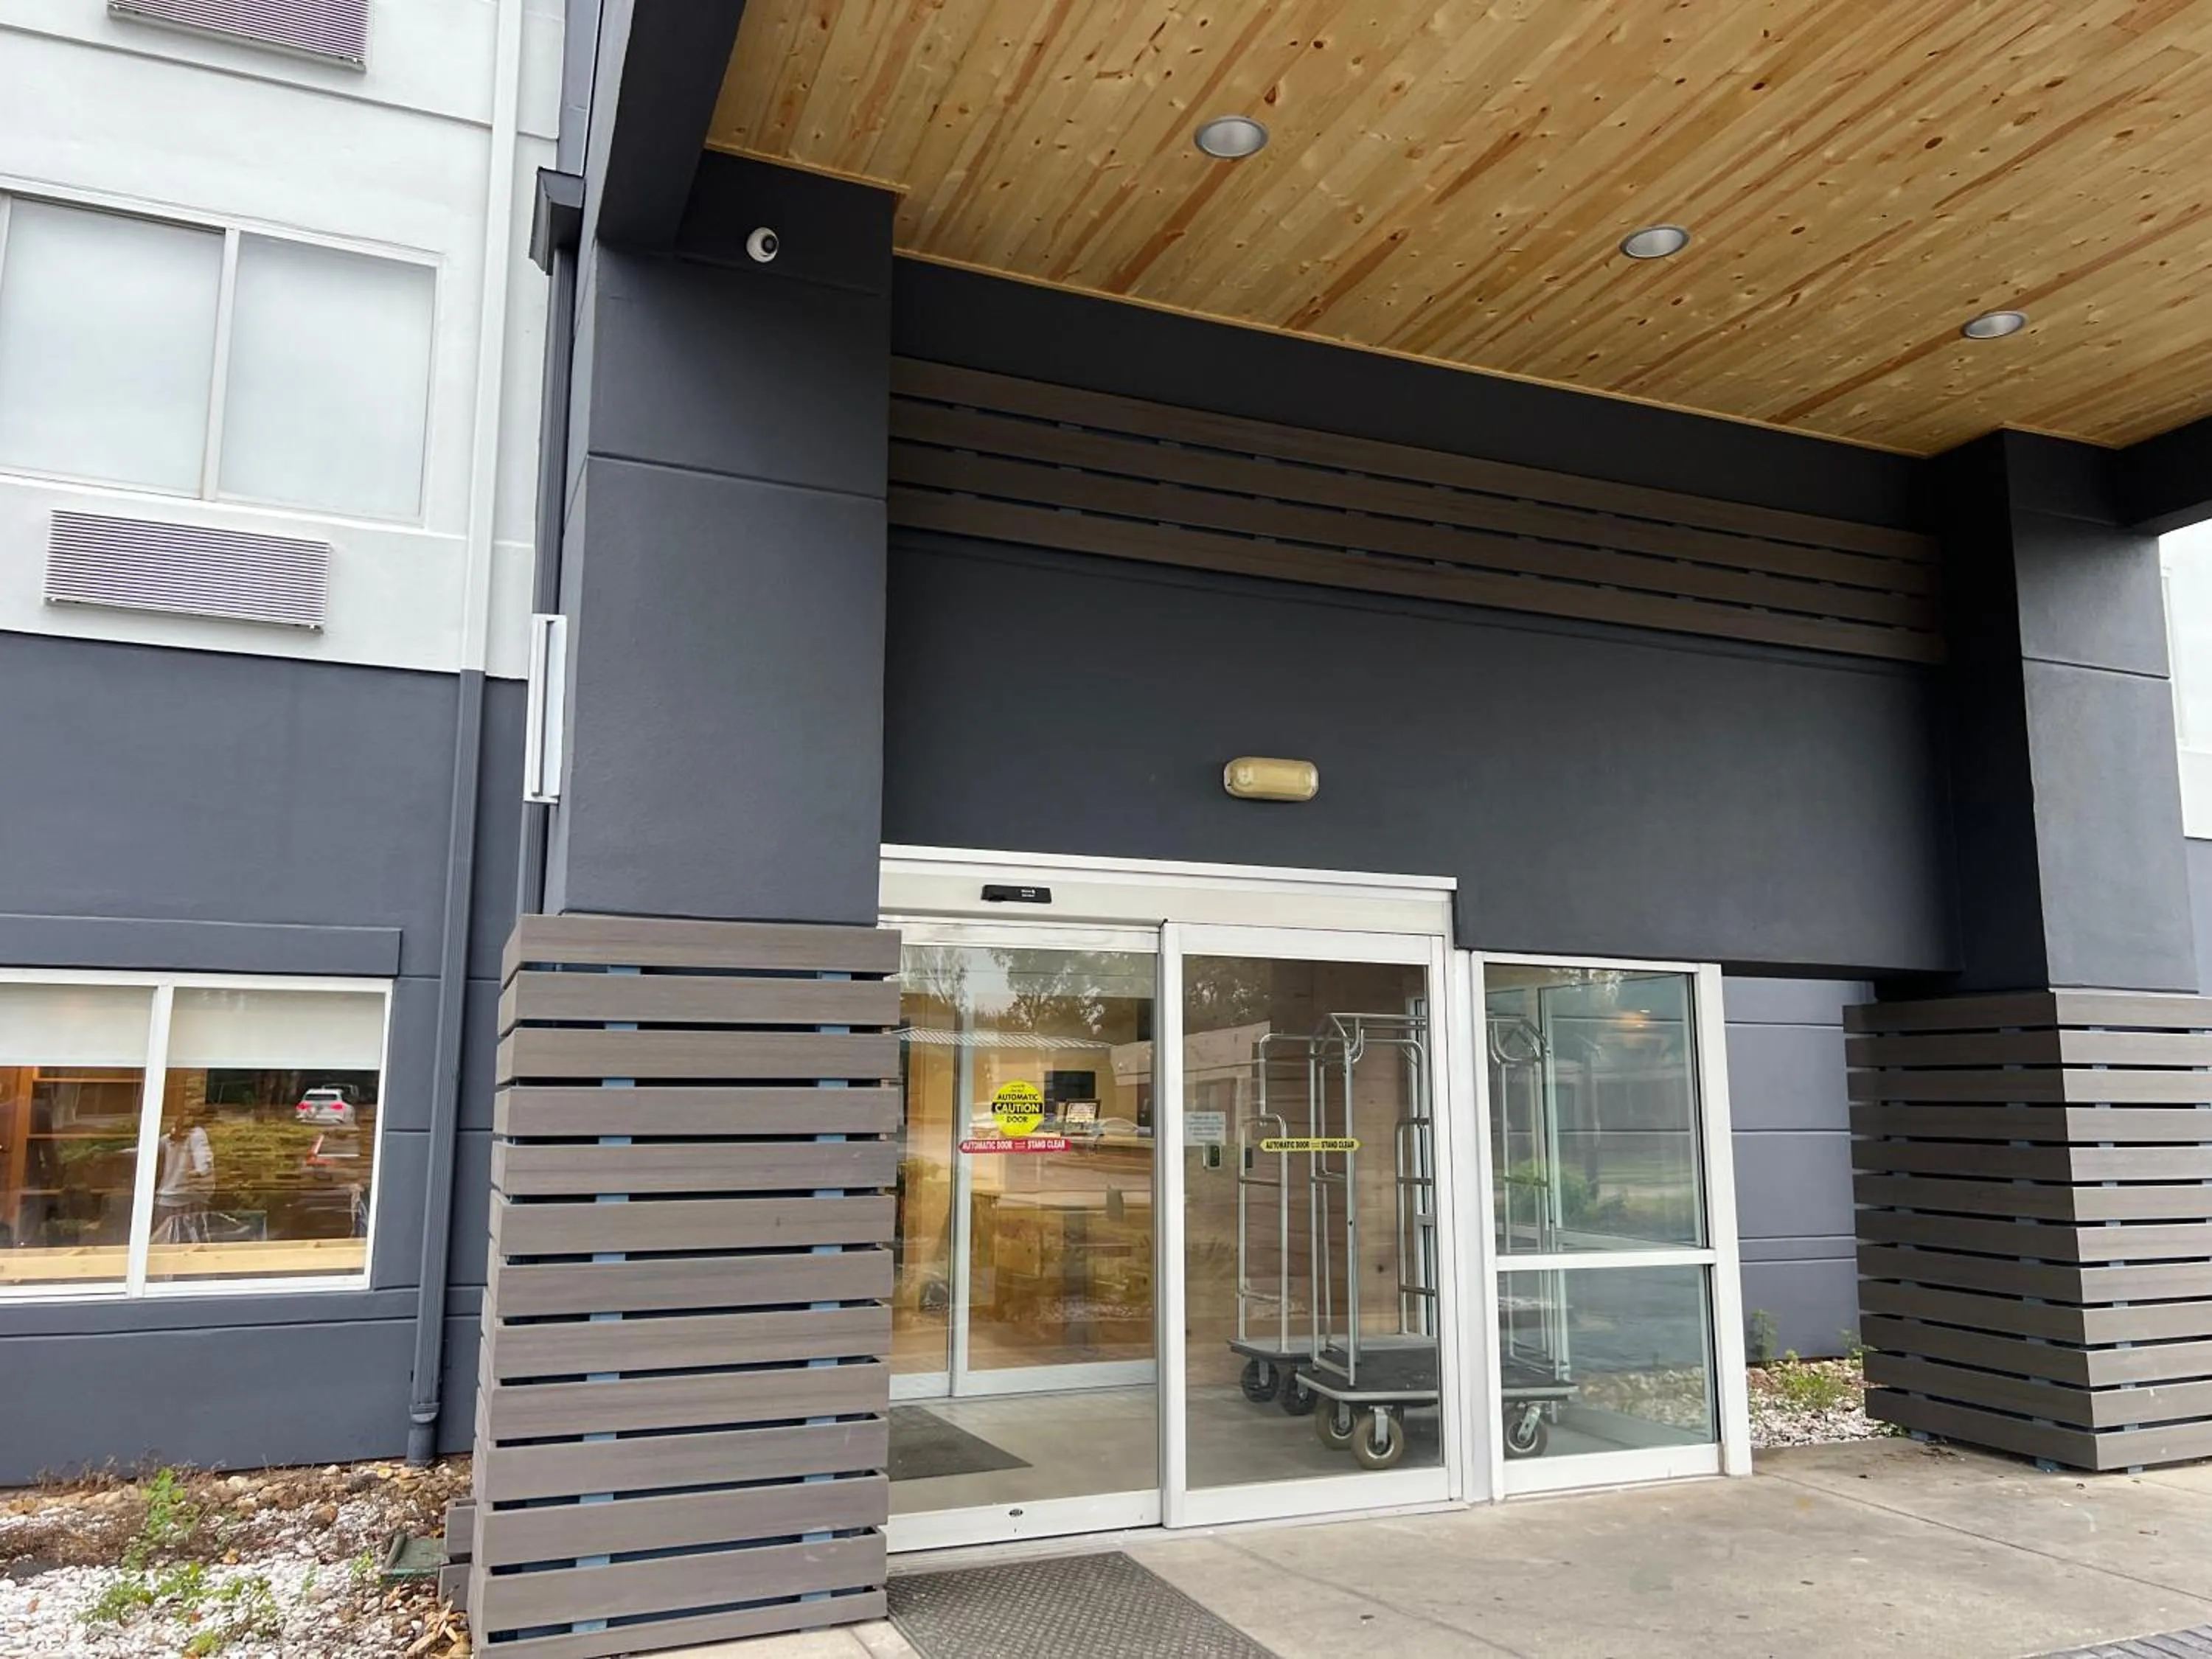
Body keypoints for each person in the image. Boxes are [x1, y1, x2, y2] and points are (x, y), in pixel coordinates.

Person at [151, 1107, 215, 1242]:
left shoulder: (172, 1137)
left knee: (165, 1242)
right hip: (187, 1199)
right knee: (192, 1243)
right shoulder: (195, 1135)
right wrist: (197, 1174)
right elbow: (203, 1164)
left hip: (169, 1199)